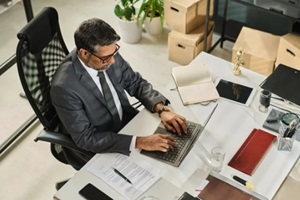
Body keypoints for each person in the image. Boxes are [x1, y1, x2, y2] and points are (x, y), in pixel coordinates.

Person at [50, 18, 187, 170]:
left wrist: (161, 109)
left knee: (174, 155)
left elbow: (134, 82)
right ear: (84, 53)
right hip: (98, 143)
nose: (113, 61)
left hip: (126, 121)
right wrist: (139, 142)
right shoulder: (64, 88)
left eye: (114, 52)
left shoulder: (106, 53)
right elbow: (86, 138)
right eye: (106, 58)